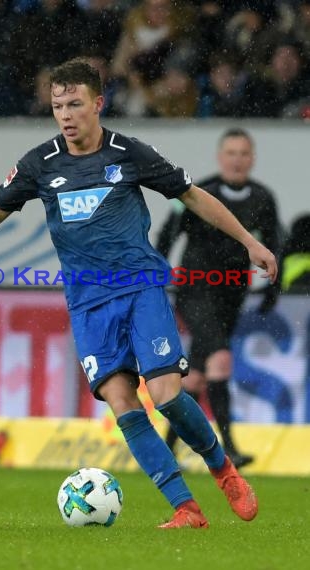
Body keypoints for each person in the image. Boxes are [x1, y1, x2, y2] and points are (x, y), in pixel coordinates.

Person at [0, 58, 278, 529]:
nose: (65, 115)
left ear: (97, 103)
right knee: (122, 401)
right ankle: (185, 509)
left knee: (168, 395)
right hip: (88, 303)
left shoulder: (129, 153)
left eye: (74, 104)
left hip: (139, 289)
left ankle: (222, 469)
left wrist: (249, 242)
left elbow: (192, 195)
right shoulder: (38, 164)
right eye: (57, 106)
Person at [157, 128, 281, 469]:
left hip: (232, 294)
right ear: (220, 156)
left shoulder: (263, 198)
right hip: (195, 290)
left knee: (196, 375)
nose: (237, 160)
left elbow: (273, 245)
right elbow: (166, 238)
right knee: (221, 359)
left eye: (244, 153)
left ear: (252, 158)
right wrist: (155, 279)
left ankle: (167, 449)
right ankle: (228, 449)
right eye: (231, 153)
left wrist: (273, 287)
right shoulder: (199, 193)